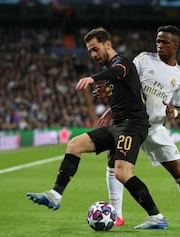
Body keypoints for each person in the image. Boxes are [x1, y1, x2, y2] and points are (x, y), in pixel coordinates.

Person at [26, 27, 168, 230]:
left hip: (132, 125)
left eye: (95, 49)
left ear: (107, 45)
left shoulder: (122, 63)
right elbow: (126, 94)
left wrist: (94, 78)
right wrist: (110, 104)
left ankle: (156, 217)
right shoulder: (109, 76)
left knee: (122, 172)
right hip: (117, 125)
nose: (93, 55)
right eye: (90, 51)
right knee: (74, 144)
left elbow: (120, 72)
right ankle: (55, 195)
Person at [97, 25, 180, 226]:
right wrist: (111, 101)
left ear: (176, 45)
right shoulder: (144, 59)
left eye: (165, 42)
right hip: (130, 122)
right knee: (113, 161)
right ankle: (117, 214)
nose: (159, 45)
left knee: (179, 171)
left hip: (154, 128)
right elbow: (124, 82)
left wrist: (175, 112)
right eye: (158, 41)